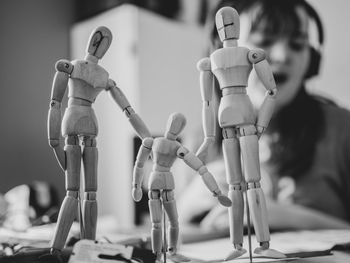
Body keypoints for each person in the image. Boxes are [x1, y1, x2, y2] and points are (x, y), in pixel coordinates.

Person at [178, 0, 350, 231]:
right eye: (264, 42)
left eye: (298, 44)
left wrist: (288, 217)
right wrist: (186, 205)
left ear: (312, 62)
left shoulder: (342, 129)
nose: (282, 55)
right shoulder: (199, 141)